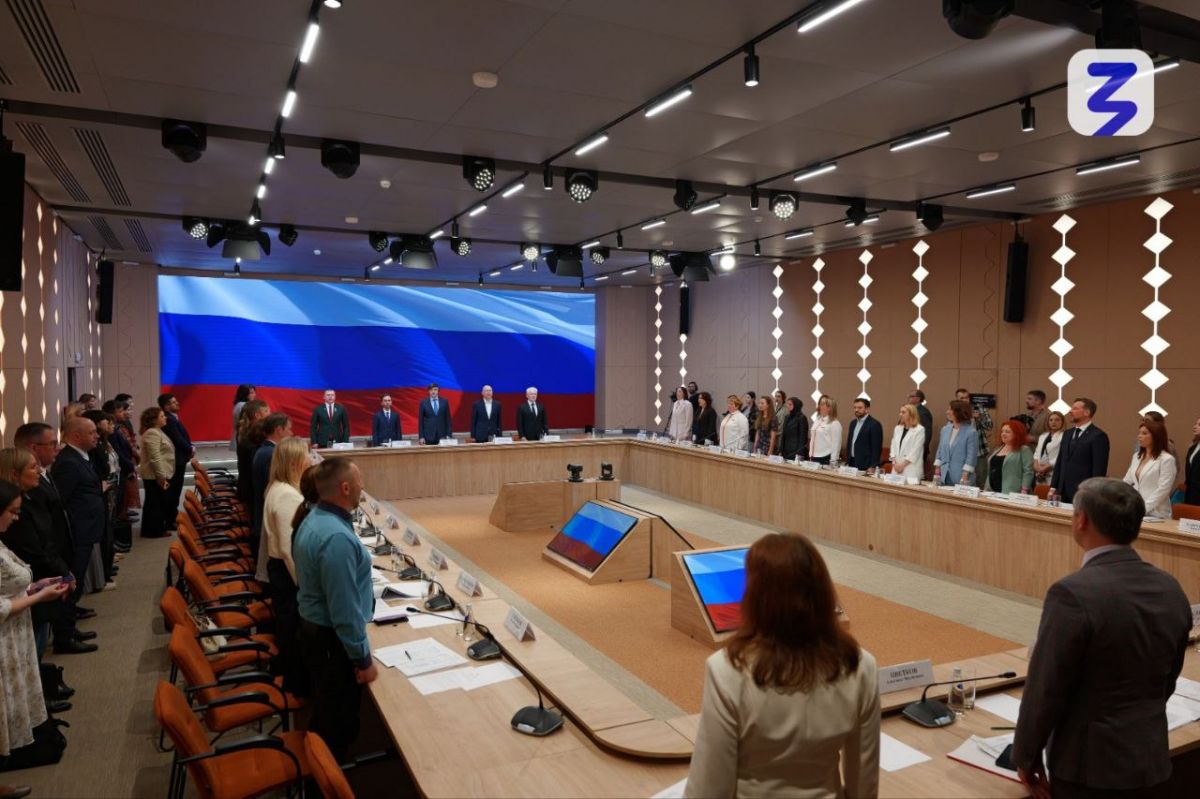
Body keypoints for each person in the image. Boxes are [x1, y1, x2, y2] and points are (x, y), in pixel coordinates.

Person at [1013, 478, 1191, 799]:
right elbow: (1168, 677)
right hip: (1150, 757)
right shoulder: (1170, 587)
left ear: (1081, 520)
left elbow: (1046, 688)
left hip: (1089, 769)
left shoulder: (1072, 594)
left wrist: (1026, 756)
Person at [684, 532, 879, 798]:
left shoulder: (726, 669)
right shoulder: (861, 665)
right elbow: (864, 782)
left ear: (755, 596)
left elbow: (710, 786)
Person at [293, 459, 376, 761]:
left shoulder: (315, 518)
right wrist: (362, 658)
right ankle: (327, 774)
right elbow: (343, 610)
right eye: (359, 479)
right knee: (337, 725)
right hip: (331, 644)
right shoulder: (336, 538)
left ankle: (320, 763)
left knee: (327, 711)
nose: (362, 485)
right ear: (345, 488)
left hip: (316, 635)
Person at [0, 479, 73, 769]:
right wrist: (39, 596)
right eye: (12, 512)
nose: (16, 518)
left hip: (15, 634)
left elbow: (8, 586)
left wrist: (35, 586)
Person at [12, 424, 89, 652]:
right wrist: (58, 563)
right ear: (34, 447)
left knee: (55, 609)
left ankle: (67, 631)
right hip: (46, 558)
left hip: (58, 549)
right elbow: (39, 535)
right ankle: (64, 638)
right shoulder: (27, 492)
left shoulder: (44, 473)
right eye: (53, 444)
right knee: (42, 621)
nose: (58, 448)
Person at [0, 448, 80, 660]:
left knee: (37, 644)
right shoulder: (16, 513)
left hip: (35, 583)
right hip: (27, 589)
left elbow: (47, 539)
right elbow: (33, 550)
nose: (39, 471)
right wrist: (55, 577)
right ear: (15, 474)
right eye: (33, 467)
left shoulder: (31, 498)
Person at [261, 437, 311, 695]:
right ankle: (296, 688)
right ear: (294, 463)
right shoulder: (287, 496)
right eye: (306, 456)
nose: (310, 461)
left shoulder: (278, 487)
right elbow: (288, 550)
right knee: (292, 629)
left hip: (279, 571)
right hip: (287, 574)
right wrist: (307, 587)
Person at [50, 418, 105, 603]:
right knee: (76, 573)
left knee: (80, 573)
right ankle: (69, 616)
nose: (97, 436)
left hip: (86, 528)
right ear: (77, 436)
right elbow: (61, 501)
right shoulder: (68, 461)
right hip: (78, 530)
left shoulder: (80, 456)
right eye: (92, 432)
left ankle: (73, 610)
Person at [251, 413, 294, 581]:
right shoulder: (271, 454)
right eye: (288, 429)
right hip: (263, 524)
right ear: (279, 429)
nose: (291, 433)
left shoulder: (264, 450)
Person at [81, 410, 120, 589]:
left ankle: (107, 567)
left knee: (109, 531)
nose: (109, 424)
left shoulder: (103, 442)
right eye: (106, 421)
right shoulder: (93, 449)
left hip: (108, 487)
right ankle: (104, 572)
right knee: (104, 534)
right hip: (101, 491)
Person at [1050, 397, 1110, 504]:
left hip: (1083, 492)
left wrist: (1093, 493)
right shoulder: (1067, 433)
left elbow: (1099, 469)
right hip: (1062, 491)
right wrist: (1053, 487)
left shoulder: (1098, 436)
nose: (1070, 411)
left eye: (1075, 409)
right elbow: (1060, 461)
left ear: (1087, 412)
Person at [1122, 418, 1176, 520]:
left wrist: (1144, 508)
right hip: (1137, 509)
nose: (1139, 436)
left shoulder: (1167, 459)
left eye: (1144, 433)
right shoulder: (1137, 456)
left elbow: (1163, 489)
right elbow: (1127, 481)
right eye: (1139, 433)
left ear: (1156, 436)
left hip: (1157, 513)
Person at [158, 394, 197, 535]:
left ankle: (172, 515)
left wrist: (189, 446)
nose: (177, 403)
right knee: (173, 490)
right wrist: (190, 448)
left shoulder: (172, 417)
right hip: (176, 460)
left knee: (176, 489)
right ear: (166, 406)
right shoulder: (168, 419)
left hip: (179, 458)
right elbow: (177, 438)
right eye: (174, 402)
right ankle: (170, 519)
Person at [101, 400, 137, 547]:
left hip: (120, 471)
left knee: (118, 504)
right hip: (115, 474)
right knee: (114, 508)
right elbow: (119, 453)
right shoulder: (112, 434)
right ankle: (114, 541)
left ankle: (115, 541)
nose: (124, 413)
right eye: (121, 411)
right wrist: (129, 465)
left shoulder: (117, 429)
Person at [137, 406, 174, 539]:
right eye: (162, 416)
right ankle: (153, 531)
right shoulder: (152, 433)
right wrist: (161, 475)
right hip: (155, 475)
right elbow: (155, 456)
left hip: (157, 474)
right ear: (154, 420)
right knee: (155, 503)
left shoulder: (157, 431)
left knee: (157, 502)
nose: (165, 418)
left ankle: (155, 528)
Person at [933, 400, 978, 486]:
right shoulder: (945, 429)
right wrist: (937, 473)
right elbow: (940, 451)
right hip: (943, 476)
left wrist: (964, 476)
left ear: (959, 412)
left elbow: (971, 457)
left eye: (950, 409)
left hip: (962, 478)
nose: (947, 412)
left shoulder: (971, 432)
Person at [983, 420, 1035, 495]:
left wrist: (1024, 490)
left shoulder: (1023, 449)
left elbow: (1028, 472)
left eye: (1007, 432)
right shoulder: (998, 449)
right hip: (991, 492)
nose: (1003, 434)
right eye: (1002, 431)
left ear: (1016, 434)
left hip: (1013, 493)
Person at [235, 399, 270, 506]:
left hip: (246, 487)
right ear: (257, 415)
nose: (270, 414)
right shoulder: (253, 437)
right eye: (266, 411)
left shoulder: (245, 432)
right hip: (251, 493)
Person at [889, 404, 926, 482]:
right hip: (896, 467)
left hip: (910, 468)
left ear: (911, 414)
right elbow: (893, 447)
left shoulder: (919, 430)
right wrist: (894, 463)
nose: (900, 414)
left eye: (903, 412)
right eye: (900, 412)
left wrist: (902, 465)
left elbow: (915, 451)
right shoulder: (897, 428)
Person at [845, 398, 883, 473]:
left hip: (866, 465)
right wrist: (847, 461)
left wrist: (873, 466)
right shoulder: (853, 423)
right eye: (855, 407)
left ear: (867, 409)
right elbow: (849, 443)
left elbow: (876, 448)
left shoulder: (874, 424)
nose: (856, 410)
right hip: (851, 462)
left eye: (860, 408)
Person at [1032, 411, 1066, 487]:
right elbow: (1037, 454)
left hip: (1053, 472)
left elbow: (1060, 455)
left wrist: (1044, 468)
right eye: (1051, 420)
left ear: (1062, 422)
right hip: (1039, 474)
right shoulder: (1043, 436)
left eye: (1057, 420)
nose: (1053, 422)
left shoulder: (1064, 436)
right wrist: (1037, 468)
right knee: (1039, 493)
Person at [808, 395, 842, 465]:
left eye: (822, 405)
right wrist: (811, 454)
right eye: (820, 404)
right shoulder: (818, 420)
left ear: (830, 408)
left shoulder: (835, 423)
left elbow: (836, 445)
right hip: (814, 456)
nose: (819, 407)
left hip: (826, 457)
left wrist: (833, 461)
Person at [908, 390, 934, 478]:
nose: (909, 398)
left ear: (918, 399)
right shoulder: (911, 411)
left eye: (911, 396)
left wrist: (921, 449)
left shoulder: (923, 412)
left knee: (914, 475)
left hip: (918, 450)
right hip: (908, 449)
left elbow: (927, 433)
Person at [778, 397, 809, 462]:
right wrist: (781, 450)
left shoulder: (801, 418)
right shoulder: (787, 417)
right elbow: (784, 435)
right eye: (787, 404)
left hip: (796, 451)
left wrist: (799, 453)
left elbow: (803, 437)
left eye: (790, 404)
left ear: (796, 405)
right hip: (786, 450)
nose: (788, 406)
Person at [231, 384, 256, 449]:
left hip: (241, 438)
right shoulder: (244, 405)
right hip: (244, 439)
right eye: (251, 393)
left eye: (254, 392)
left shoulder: (239, 405)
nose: (254, 395)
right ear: (244, 394)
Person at [1186, 416, 1200, 505]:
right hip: (1191, 493)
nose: (1195, 426)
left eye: (1199, 425)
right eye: (1195, 424)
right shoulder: (1193, 447)